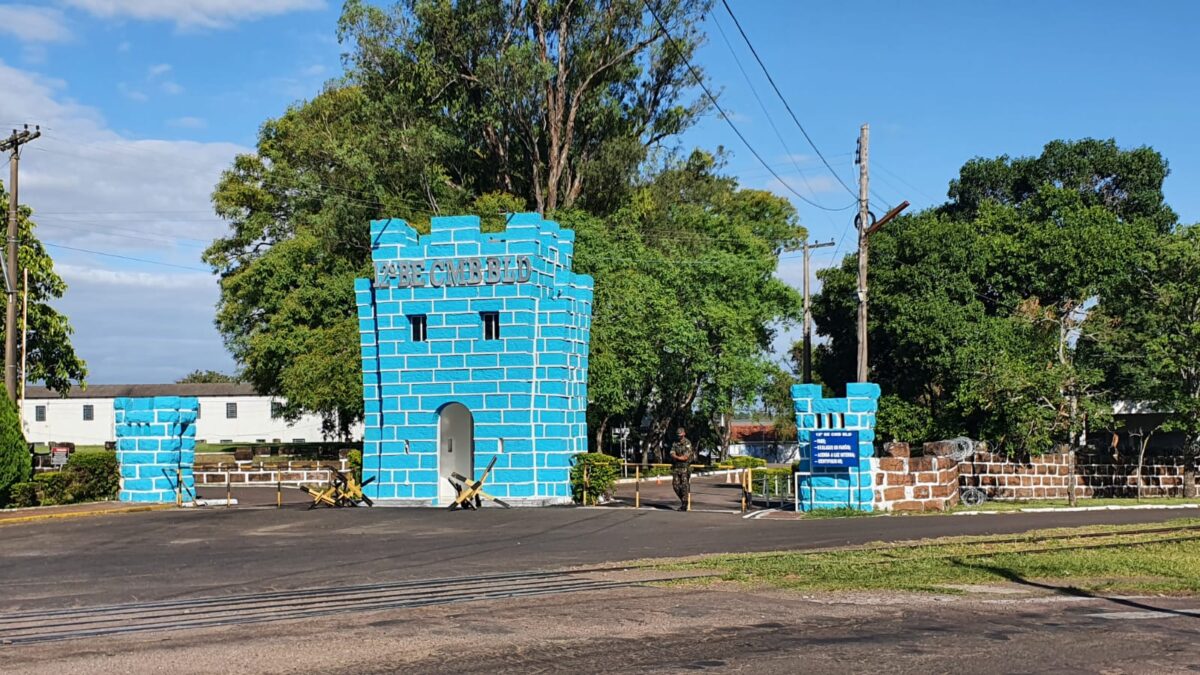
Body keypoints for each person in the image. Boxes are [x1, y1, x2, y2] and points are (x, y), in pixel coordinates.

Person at [669, 427, 693, 511]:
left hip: (685, 468)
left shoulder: (687, 443)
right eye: (678, 435)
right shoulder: (675, 443)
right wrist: (677, 457)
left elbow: (685, 457)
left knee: (684, 486)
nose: (679, 437)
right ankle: (684, 500)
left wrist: (676, 457)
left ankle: (684, 504)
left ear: (684, 434)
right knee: (675, 486)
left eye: (680, 435)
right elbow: (671, 453)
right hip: (676, 467)